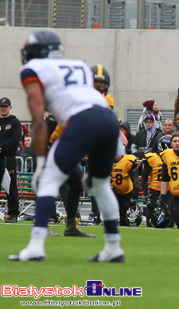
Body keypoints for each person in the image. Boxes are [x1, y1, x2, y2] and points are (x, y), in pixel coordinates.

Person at [11, 30, 124, 262]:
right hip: (108, 119)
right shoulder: (80, 66)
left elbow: (39, 120)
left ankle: (35, 247)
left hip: (82, 120)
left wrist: (41, 163)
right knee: (101, 185)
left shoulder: (32, 70)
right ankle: (113, 248)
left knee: (49, 180)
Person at [142, 135, 173, 227]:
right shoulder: (151, 158)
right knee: (151, 223)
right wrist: (147, 196)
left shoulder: (174, 158)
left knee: (169, 223)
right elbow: (144, 179)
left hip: (169, 194)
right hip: (154, 194)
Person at [0, 97, 22, 223]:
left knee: (11, 186)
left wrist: (2, 148)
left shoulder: (14, 122)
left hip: (8, 158)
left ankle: (13, 213)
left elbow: (15, 140)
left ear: (10, 108)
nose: (3, 108)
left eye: (5, 106)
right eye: (1, 106)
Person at [111, 154, 139, 226]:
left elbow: (135, 180)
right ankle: (97, 219)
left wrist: (135, 197)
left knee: (124, 221)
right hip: (111, 193)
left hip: (125, 193)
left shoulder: (128, 161)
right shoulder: (106, 159)